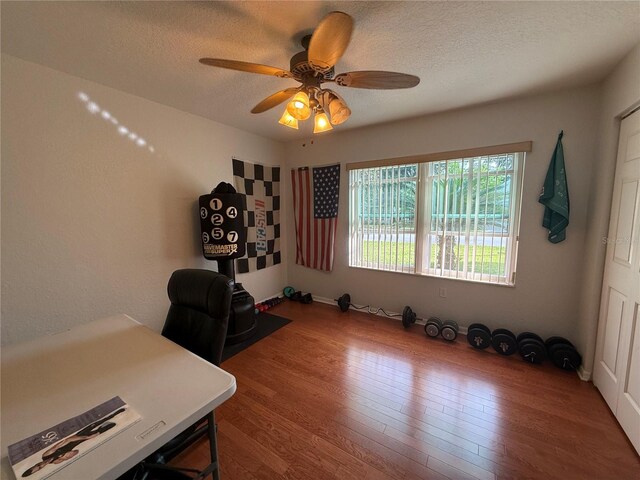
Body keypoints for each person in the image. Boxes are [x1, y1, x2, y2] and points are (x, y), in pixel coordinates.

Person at [21, 408, 125, 477]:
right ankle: (117, 421)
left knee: (102, 420)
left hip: (80, 436)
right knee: (109, 427)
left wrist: (86, 437)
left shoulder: (46, 455)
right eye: (40, 468)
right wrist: (65, 456)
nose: (42, 465)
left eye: (38, 465)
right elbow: (75, 451)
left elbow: (67, 440)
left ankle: (117, 412)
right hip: (83, 441)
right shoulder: (56, 462)